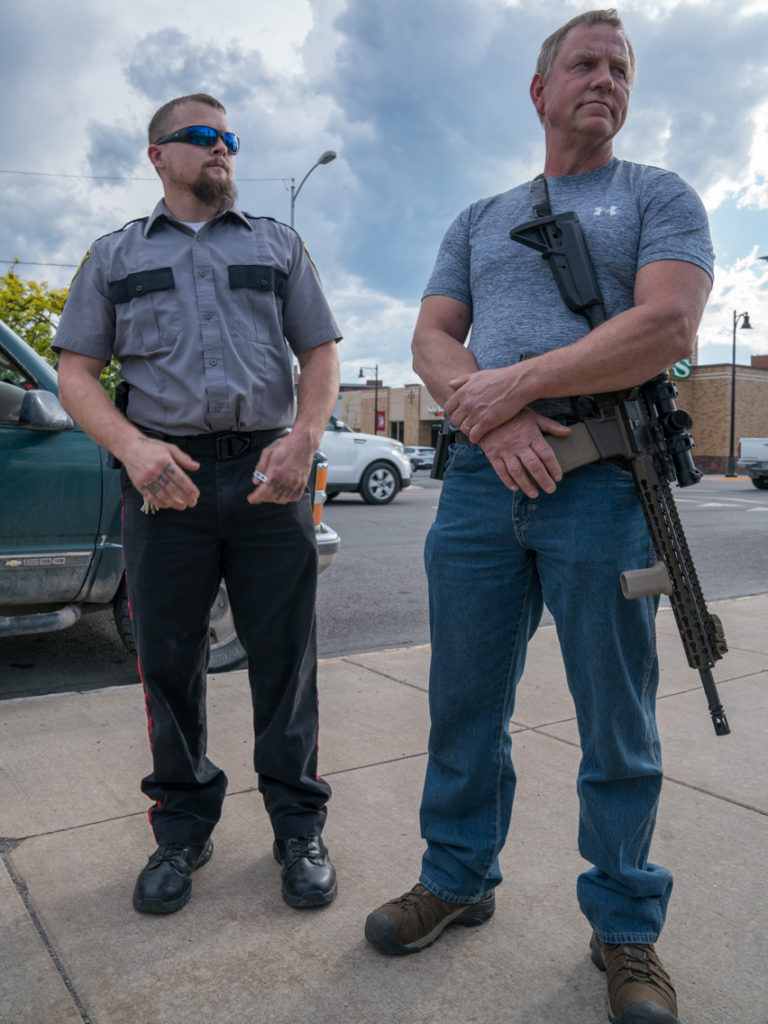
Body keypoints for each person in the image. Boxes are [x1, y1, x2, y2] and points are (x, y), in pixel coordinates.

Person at [364, 11, 712, 1023]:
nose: (604, 80)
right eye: (585, 64)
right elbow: (432, 335)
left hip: (607, 480)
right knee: (464, 701)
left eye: (621, 69)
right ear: (540, 89)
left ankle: (627, 927)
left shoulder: (657, 195)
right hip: (481, 487)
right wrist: (496, 416)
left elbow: (667, 326)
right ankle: (458, 875)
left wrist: (508, 387)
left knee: (619, 720)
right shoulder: (480, 217)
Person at [55, 93, 342, 916]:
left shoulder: (278, 245)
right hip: (163, 484)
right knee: (169, 661)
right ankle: (181, 828)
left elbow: (318, 352)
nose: (222, 150)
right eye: (203, 137)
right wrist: (134, 450)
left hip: (268, 478)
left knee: (286, 660)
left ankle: (298, 827)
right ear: (158, 155)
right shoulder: (113, 256)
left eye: (231, 139)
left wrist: (305, 438)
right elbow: (77, 375)